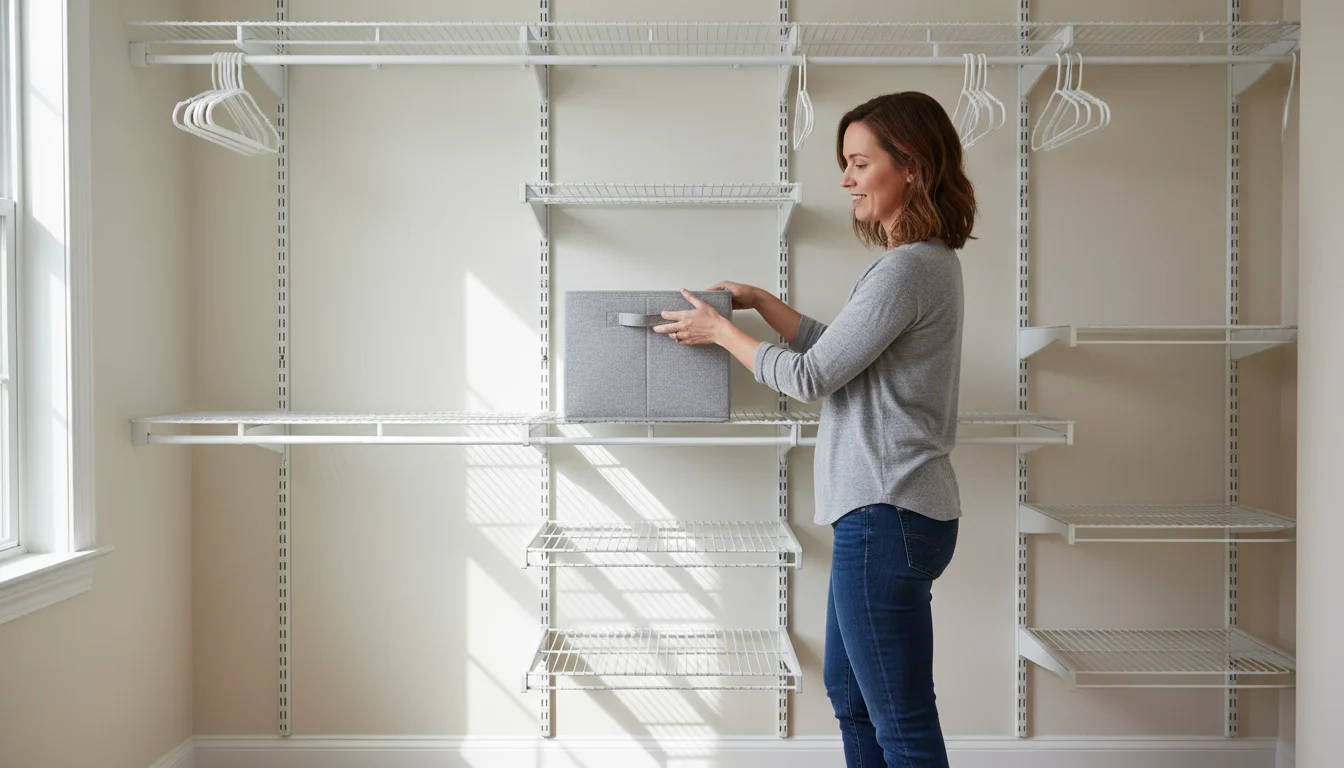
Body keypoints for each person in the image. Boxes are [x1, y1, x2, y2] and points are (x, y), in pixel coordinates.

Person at [652, 91, 975, 768]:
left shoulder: (907, 267)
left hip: (886, 512)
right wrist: (767, 306)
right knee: (853, 697)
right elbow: (847, 354)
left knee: (901, 721)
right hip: (899, 513)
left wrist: (718, 333)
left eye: (860, 163)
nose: (846, 179)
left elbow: (810, 378)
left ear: (910, 166)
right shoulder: (924, 265)